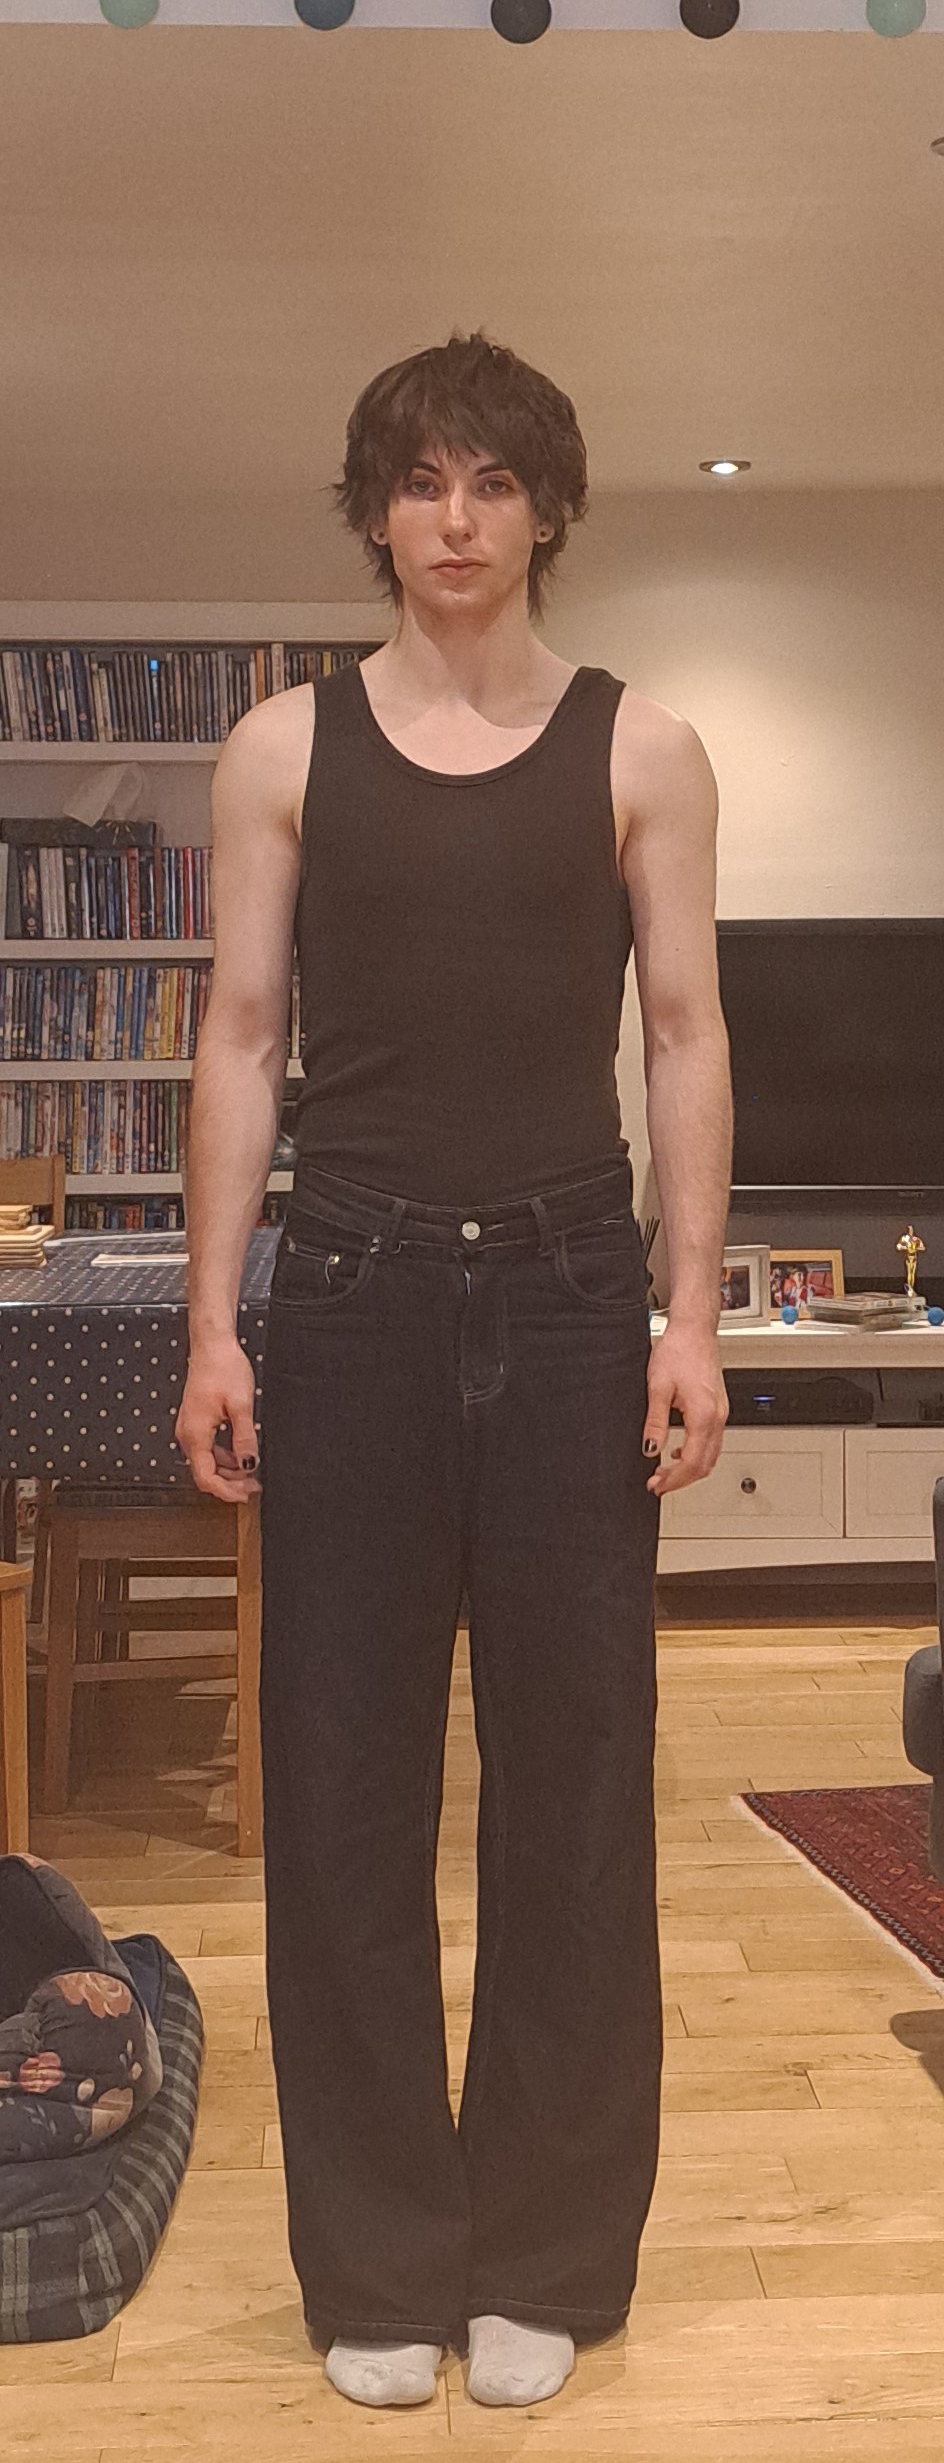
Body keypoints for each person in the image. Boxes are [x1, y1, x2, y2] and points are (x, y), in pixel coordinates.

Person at [174, 330, 732, 2411]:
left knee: (575, 1786)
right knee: (342, 1790)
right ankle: (382, 2256)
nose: (457, 518)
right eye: (420, 480)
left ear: (547, 508)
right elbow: (241, 1035)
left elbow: (683, 1030)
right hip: (352, 1294)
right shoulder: (281, 752)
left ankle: (550, 2252)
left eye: (493, 480)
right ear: (375, 513)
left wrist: (691, 1313)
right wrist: (213, 1317)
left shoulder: (644, 746)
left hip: (576, 1296)